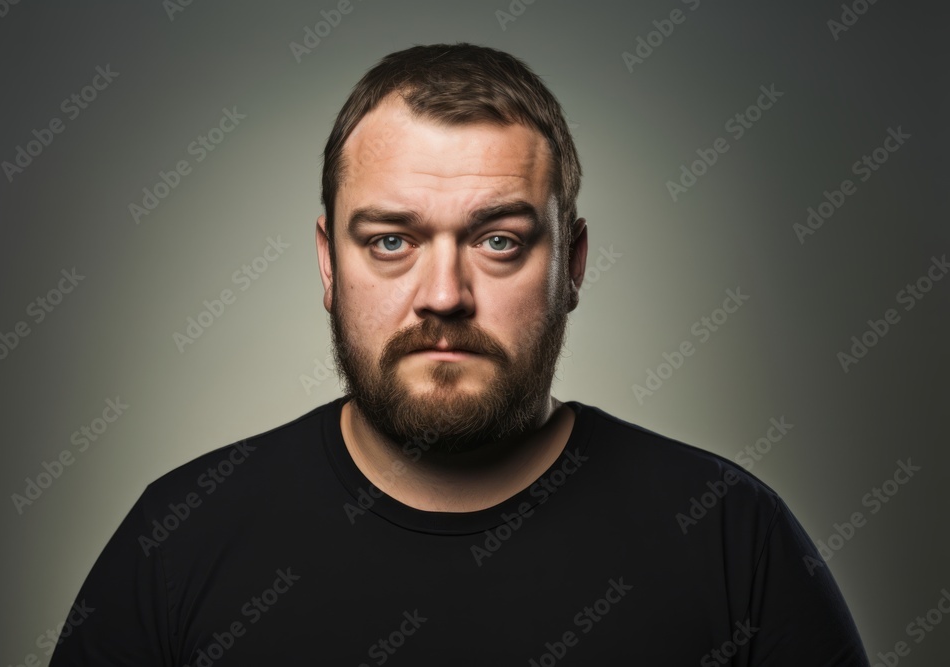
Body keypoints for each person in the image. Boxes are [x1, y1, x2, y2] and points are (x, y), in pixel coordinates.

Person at [50, 43, 869, 665]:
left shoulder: (732, 537)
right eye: (392, 239)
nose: (444, 293)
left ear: (573, 264)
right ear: (329, 262)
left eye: (500, 240)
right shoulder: (180, 536)